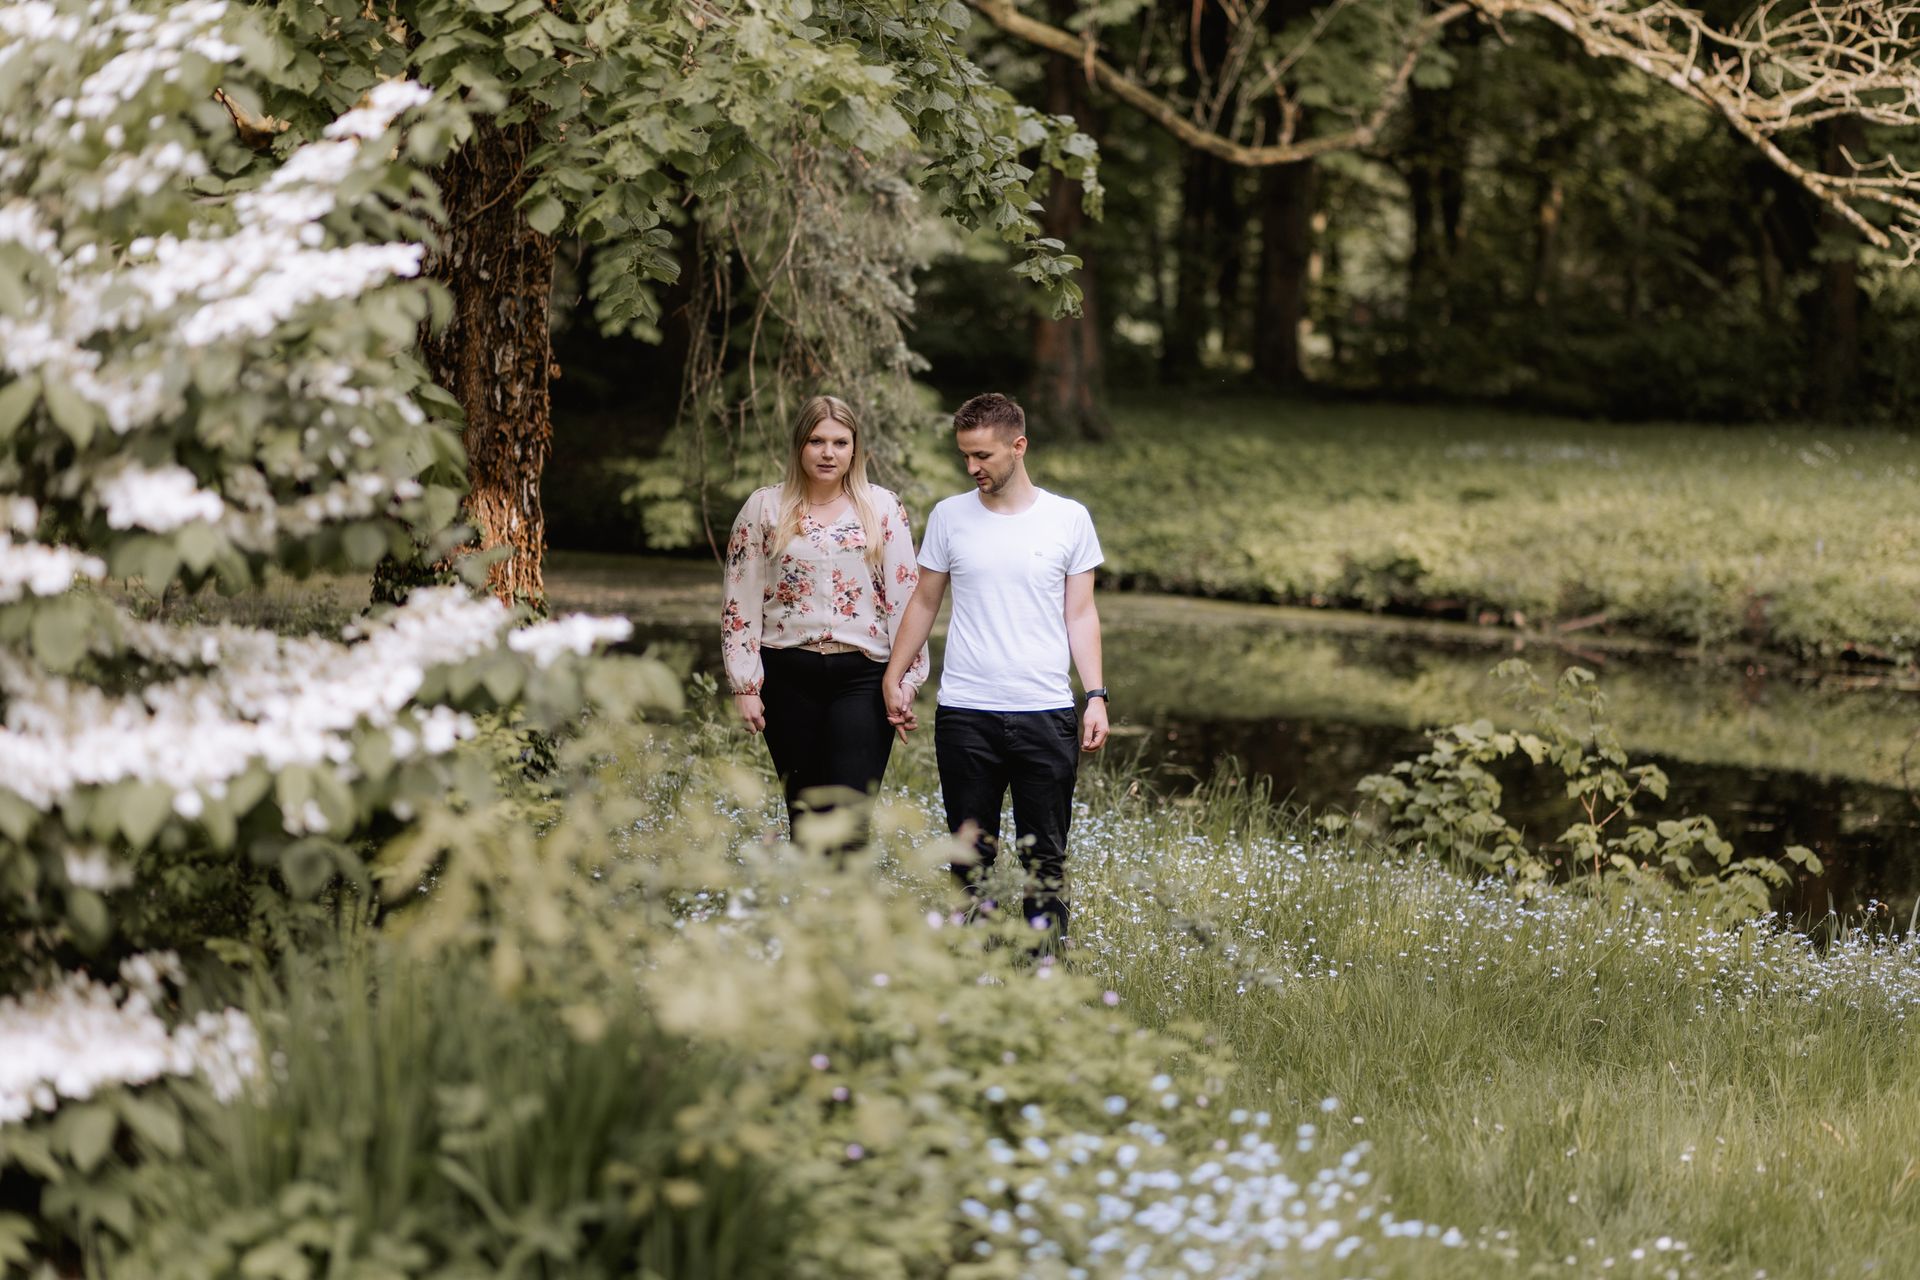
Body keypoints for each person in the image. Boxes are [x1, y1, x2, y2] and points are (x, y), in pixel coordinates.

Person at [882, 392, 1108, 942]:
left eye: (982, 456)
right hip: (966, 713)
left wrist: (1096, 695)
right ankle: (973, 962)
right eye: (965, 456)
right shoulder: (949, 517)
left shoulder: (1068, 519)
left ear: (1018, 447)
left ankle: (1043, 967)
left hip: (1046, 713)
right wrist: (895, 674)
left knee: (1046, 857)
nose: (972, 467)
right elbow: (924, 602)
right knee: (969, 853)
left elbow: (1080, 615)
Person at [722, 395, 927, 843]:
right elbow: (740, 601)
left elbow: (907, 598)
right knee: (807, 818)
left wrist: (907, 679)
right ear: (800, 446)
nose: (828, 452)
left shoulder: (882, 508)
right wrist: (745, 685)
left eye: (840, 442)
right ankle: (812, 911)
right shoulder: (764, 509)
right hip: (788, 674)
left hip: (863, 677)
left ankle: (846, 911)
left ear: (856, 449)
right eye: (816, 441)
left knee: (851, 819)